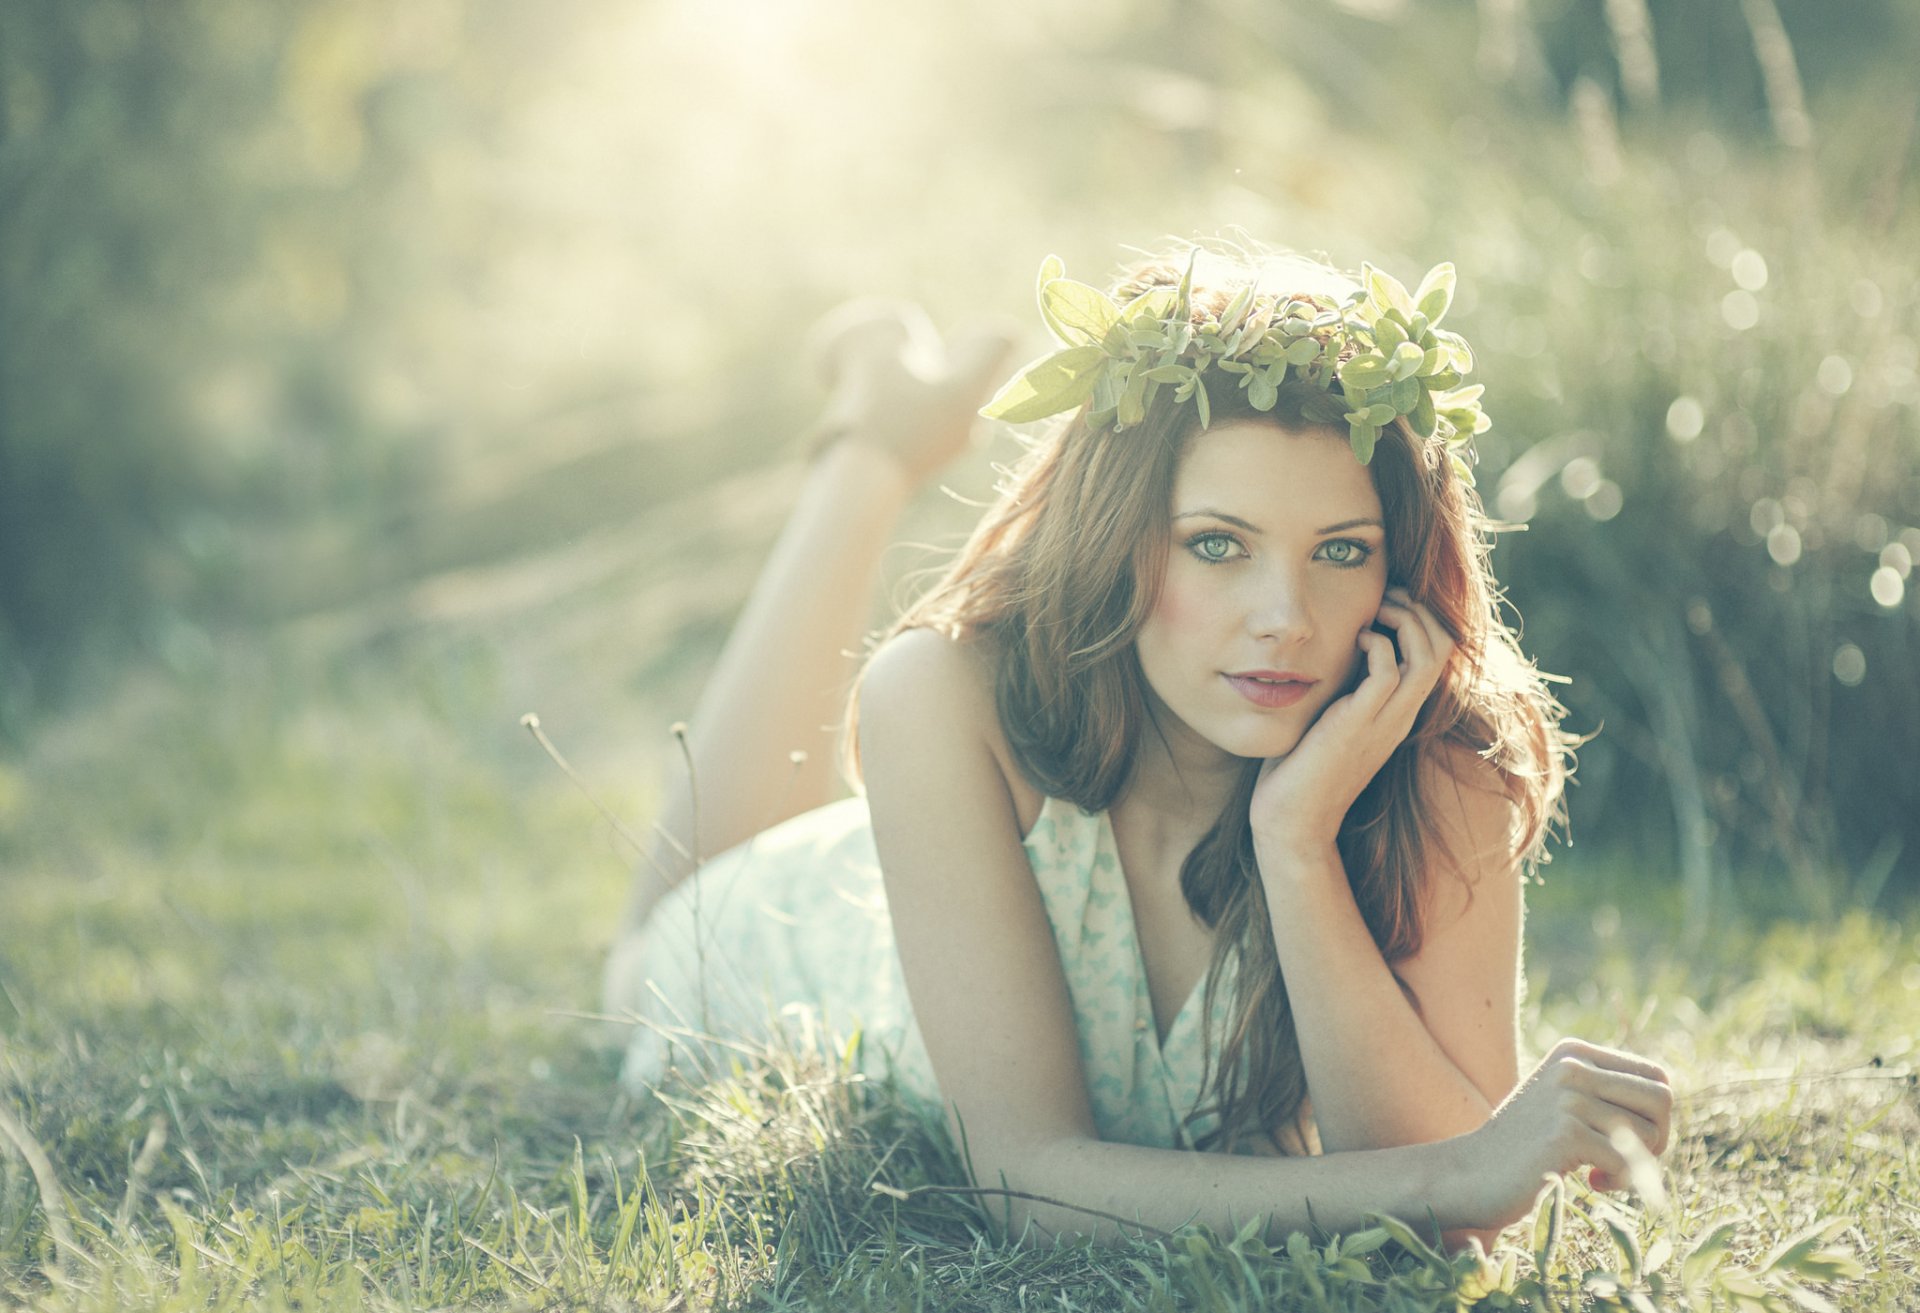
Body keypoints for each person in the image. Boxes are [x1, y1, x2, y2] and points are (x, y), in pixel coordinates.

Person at [601, 244, 1674, 1250]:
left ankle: (892, 422)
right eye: (1217, 545)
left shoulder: (1435, 751)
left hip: (942, 857)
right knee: (650, 945)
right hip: (795, 936)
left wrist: (1297, 840)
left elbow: (1454, 1211)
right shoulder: (944, 693)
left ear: (1398, 575)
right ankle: (874, 444)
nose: (1284, 618)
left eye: (1341, 551)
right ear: (1118, 540)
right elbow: (1027, 1175)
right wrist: (1454, 1175)